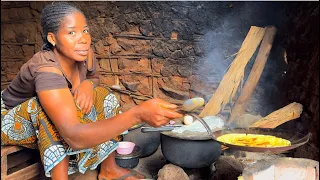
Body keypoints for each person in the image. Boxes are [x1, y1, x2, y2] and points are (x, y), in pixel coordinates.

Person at [0, 2, 182, 180]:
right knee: (43, 110)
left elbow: (94, 77)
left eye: (85, 30)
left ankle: (109, 170)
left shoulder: (83, 52)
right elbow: (73, 136)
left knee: (103, 95)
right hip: (9, 118)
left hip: (48, 115)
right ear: (52, 39)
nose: (83, 38)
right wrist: (137, 115)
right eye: (72, 32)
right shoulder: (46, 69)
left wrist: (88, 85)